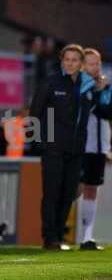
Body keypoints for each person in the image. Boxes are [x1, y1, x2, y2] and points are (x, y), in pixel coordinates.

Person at [30, 44, 99, 250]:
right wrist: (38, 143)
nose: (70, 63)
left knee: (69, 193)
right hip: (52, 148)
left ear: (81, 64)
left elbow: (101, 112)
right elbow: (35, 113)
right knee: (52, 192)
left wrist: (103, 90)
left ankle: (59, 236)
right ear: (62, 61)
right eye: (67, 59)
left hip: (76, 150)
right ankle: (49, 237)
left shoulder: (87, 88)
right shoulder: (50, 82)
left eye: (75, 60)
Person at [79, 48, 112, 250]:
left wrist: (103, 91)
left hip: (100, 145)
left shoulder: (106, 85)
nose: (95, 67)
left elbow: (108, 111)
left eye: (97, 63)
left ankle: (87, 237)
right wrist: (99, 92)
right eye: (91, 63)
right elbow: (95, 108)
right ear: (84, 66)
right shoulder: (82, 84)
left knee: (92, 189)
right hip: (83, 144)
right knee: (76, 189)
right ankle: (55, 232)